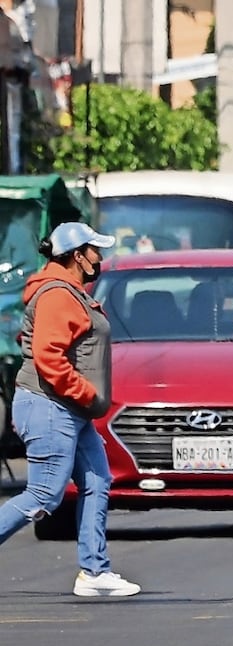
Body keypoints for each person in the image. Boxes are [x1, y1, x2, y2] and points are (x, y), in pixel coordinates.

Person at [0, 222, 141, 597]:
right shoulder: (58, 295)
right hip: (51, 406)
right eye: (95, 250)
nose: (100, 257)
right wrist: (85, 392)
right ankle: (94, 570)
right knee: (45, 494)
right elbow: (49, 357)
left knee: (97, 480)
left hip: (68, 409)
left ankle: (94, 571)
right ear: (78, 255)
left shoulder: (69, 292)